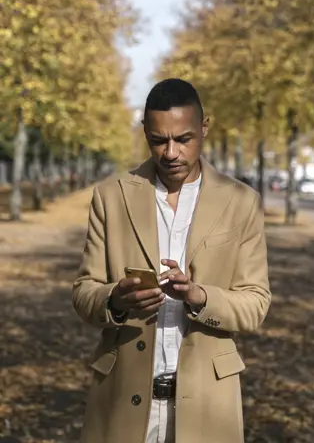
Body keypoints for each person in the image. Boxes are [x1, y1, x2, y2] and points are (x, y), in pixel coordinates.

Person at [72, 78, 271, 443]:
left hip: (209, 408)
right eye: (158, 140)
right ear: (145, 133)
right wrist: (115, 300)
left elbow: (256, 303)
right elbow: (83, 292)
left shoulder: (241, 202)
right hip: (122, 404)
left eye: (183, 139)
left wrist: (199, 296)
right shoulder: (110, 197)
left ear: (204, 128)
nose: (170, 153)